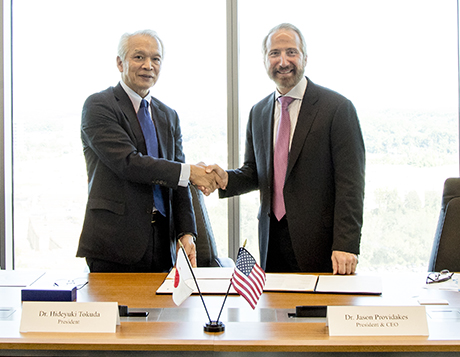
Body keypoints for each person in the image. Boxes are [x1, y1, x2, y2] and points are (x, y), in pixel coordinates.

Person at [205, 23, 365, 274]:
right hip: (272, 241)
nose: (283, 61)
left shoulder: (337, 109)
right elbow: (254, 172)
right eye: (274, 53)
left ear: (305, 58)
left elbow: (351, 184)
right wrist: (225, 179)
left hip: (322, 247)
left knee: (318, 312)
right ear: (265, 60)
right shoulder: (259, 112)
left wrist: (346, 244)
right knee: (276, 312)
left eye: (291, 52)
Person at [77, 30, 221, 272]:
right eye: (139, 57)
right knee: (118, 311)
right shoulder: (99, 105)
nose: (148, 65)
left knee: (163, 310)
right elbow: (129, 163)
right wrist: (190, 173)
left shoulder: (168, 115)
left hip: (162, 241)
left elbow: (180, 182)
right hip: (115, 244)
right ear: (120, 63)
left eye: (156, 59)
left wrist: (186, 233)